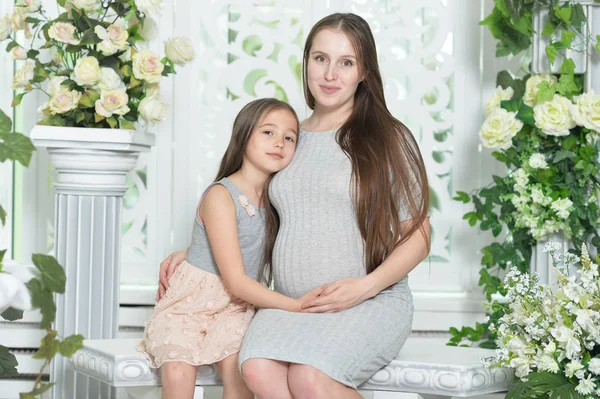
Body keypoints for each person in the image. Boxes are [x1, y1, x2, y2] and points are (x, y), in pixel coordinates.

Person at [159, 12, 430, 399]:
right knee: (256, 367)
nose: (330, 74)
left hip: (370, 300)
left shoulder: (387, 138)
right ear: (306, 63)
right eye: (320, 59)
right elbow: (256, 213)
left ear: (364, 71)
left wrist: (364, 287)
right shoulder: (286, 137)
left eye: (346, 62)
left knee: (309, 379)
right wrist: (199, 250)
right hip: (292, 304)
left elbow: (419, 235)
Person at [138, 98, 327, 399]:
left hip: (237, 307)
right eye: (268, 132)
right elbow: (236, 279)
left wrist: (191, 249)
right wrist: (296, 305)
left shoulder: (280, 201)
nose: (279, 142)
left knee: (239, 372)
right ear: (244, 135)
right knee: (177, 368)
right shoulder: (222, 194)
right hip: (192, 303)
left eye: (289, 137)